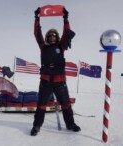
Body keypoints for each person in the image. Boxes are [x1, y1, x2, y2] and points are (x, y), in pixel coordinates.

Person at [30, 7, 81, 136]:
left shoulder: (61, 47)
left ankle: (70, 124)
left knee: (66, 105)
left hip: (60, 83)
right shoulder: (43, 47)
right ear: (47, 37)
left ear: (57, 37)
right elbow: (37, 34)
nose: (52, 37)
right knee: (41, 105)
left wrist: (65, 18)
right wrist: (37, 19)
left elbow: (66, 32)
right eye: (50, 35)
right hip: (45, 82)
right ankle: (36, 126)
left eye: (54, 35)